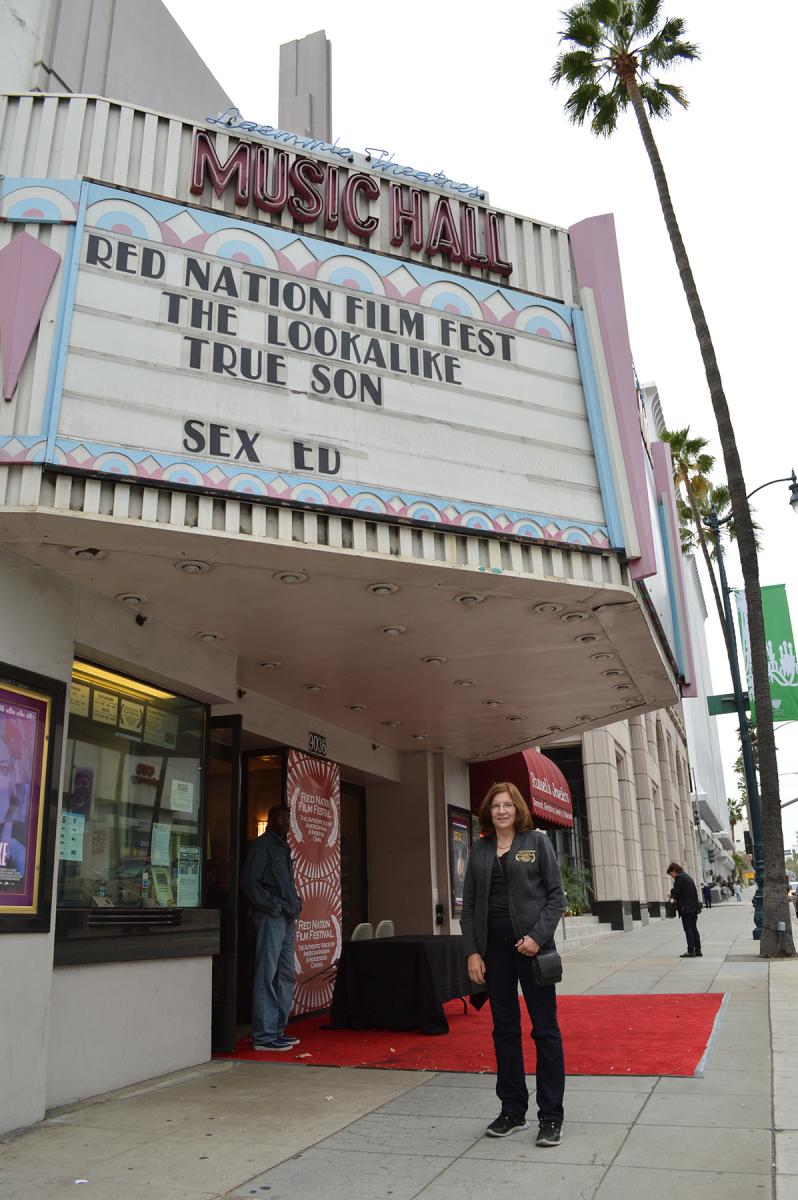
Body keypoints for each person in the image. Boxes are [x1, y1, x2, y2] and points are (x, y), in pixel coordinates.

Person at [461, 782, 566, 1148]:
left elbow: (556, 896)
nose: (502, 811)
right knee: (504, 1030)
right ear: (488, 812)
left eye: (507, 805)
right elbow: (469, 906)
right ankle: (512, 1110)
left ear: (517, 809)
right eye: (495, 806)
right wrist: (474, 951)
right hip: (496, 953)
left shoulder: (536, 842)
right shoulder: (480, 849)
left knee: (545, 1031)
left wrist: (537, 937)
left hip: (534, 950)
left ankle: (551, 1116)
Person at [241, 804, 302, 1052]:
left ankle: (277, 1029)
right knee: (267, 972)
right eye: (281, 817)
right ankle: (264, 1036)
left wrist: (296, 903)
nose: (286, 821)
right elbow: (249, 882)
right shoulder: (262, 846)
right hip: (271, 917)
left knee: (286, 973)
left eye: (288, 817)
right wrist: (274, 906)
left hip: (287, 917)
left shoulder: (283, 847)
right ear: (270, 820)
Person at [667, 861, 702, 958]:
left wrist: (671, 893)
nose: (672, 876)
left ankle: (691, 951)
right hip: (694, 907)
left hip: (686, 908)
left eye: (671, 874)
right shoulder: (687, 876)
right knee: (694, 928)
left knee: (688, 929)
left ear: (674, 870)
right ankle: (698, 950)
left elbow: (676, 891)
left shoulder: (680, 878)